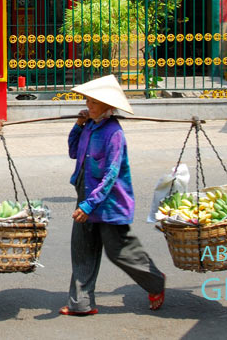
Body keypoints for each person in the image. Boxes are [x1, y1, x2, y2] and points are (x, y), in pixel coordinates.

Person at [61, 74, 166, 316]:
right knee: (82, 248)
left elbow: (111, 175)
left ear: (108, 107)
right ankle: (81, 303)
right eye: (87, 101)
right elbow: (73, 151)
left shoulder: (114, 133)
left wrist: (90, 205)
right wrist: (77, 125)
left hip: (109, 202)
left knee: (118, 250)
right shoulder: (88, 127)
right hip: (85, 194)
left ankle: (155, 282)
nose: (88, 106)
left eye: (93, 103)